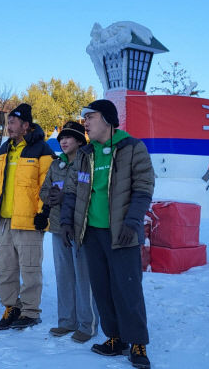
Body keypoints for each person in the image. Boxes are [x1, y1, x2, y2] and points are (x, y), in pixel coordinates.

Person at [60, 99, 155, 369]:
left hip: (122, 233)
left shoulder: (132, 147)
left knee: (127, 288)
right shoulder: (86, 154)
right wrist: (67, 222)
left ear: (108, 119)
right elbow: (73, 191)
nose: (86, 122)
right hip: (92, 233)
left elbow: (144, 188)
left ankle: (137, 342)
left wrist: (132, 222)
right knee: (102, 288)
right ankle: (114, 337)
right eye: (85, 118)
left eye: (90, 117)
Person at [0, 103, 54, 330]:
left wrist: (43, 212)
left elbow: (49, 185)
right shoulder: (4, 149)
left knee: (30, 269)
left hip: (29, 221)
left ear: (26, 125)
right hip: (4, 220)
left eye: (12, 122)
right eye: (8, 123)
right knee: (4, 269)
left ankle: (31, 311)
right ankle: (11, 307)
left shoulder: (42, 150)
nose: (8, 127)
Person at [39, 121, 98, 343]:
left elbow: (89, 190)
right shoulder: (57, 164)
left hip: (81, 227)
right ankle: (66, 321)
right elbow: (44, 190)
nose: (63, 141)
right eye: (61, 137)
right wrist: (51, 197)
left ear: (80, 141)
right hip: (57, 226)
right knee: (64, 275)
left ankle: (87, 324)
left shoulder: (87, 162)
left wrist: (67, 195)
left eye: (69, 137)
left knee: (84, 276)